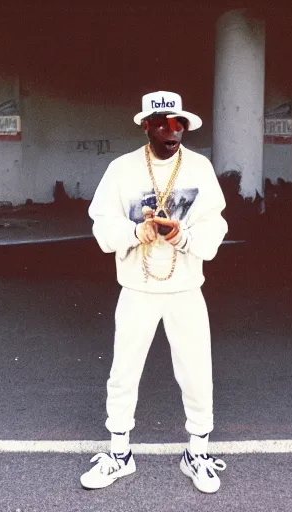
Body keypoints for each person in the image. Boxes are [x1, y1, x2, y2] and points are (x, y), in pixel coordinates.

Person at [81, 91, 228, 494]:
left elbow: (216, 228)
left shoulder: (199, 168)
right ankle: (119, 454)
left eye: (178, 123)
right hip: (137, 288)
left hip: (185, 289)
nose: (171, 130)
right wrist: (134, 231)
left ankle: (196, 453)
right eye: (162, 123)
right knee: (124, 371)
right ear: (145, 125)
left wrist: (184, 236)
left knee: (197, 371)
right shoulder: (121, 169)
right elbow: (100, 223)